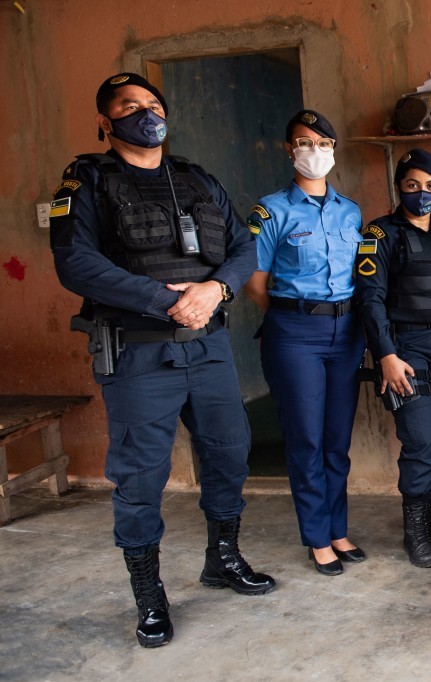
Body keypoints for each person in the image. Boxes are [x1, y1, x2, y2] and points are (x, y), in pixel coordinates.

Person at [50, 72, 275, 648]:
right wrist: (165, 302)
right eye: (129, 106)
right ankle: (149, 595)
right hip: (138, 353)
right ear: (105, 121)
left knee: (229, 455)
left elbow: (244, 245)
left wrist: (216, 291)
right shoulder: (86, 182)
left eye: (153, 104)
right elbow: (76, 264)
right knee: (140, 477)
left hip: (209, 347)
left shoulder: (196, 179)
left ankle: (222, 559)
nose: (145, 114)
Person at [244, 110, 366, 577]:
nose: (314, 151)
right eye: (304, 142)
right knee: (307, 439)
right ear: (288, 149)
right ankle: (316, 537)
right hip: (294, 333)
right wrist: (294, 316)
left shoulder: (349, 211)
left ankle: (338, 529)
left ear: (333, 150)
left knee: (337, 439)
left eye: (323, 143)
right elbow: (256, 282)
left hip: (347, 331)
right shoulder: (272, 210)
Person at [354, 149, 431, 568]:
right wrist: (384, 353)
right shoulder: (379, 235)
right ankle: (414, 531)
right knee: (419, 440)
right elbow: (370, 299)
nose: (422, 193)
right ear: (399, 186)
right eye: (413, 184)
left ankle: (430, 513)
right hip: (405, 349)